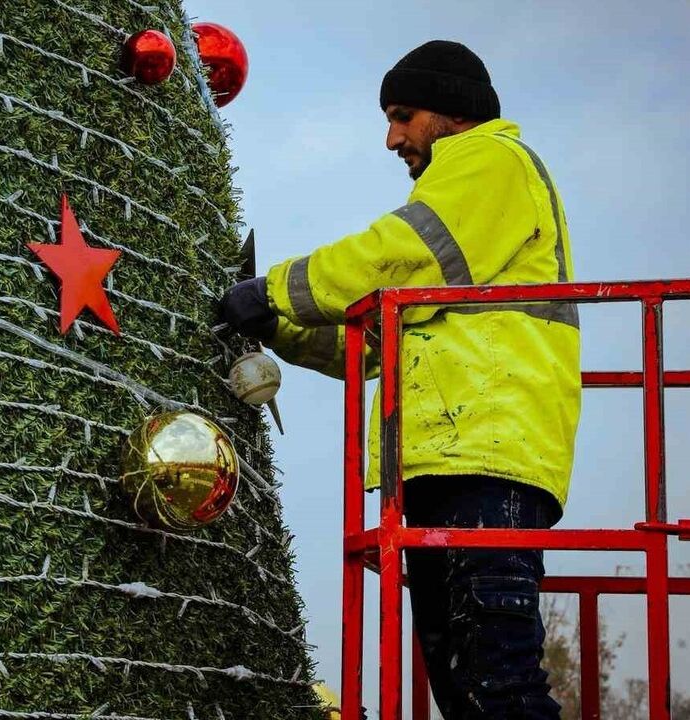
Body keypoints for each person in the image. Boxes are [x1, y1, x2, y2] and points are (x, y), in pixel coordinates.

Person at [218, 40, 581, 718]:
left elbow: (401, 254)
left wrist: (274, 290)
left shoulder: (490, 161)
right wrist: (277, 326)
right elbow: (374, 341)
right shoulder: (470, 229)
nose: (391, 138)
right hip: (451, 459)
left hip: (489, 459)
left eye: (403, 114)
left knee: (497, 681)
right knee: (466, 686)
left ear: (453, 112)